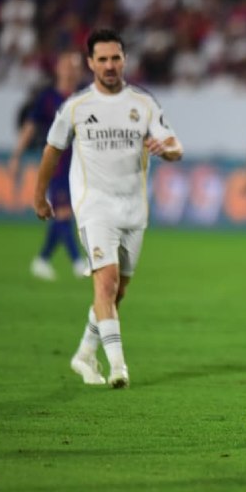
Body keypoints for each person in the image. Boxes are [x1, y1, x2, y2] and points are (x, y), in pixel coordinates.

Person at [34, 28, 183, 388]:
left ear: (124, 60)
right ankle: (118, 367)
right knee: (106, 283)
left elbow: (174, 144)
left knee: (118, 292)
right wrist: (40, 195)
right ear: (91, 63)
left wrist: (167, 150)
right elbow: (52, 149)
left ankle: (84, 354)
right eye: (102, 59)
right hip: (94, 206)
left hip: (134, 208)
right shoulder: (76, 107)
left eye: (115, 58)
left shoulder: (143, 104)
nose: (110, 65)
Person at [9, 52, 88, 280]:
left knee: (64, 214)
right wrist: (16, 156)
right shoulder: (47, 98)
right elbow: (30, 127)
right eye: (67, 66)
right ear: (58, 69)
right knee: (63, 213)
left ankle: (42, 260)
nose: (71, 71)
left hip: (81, 166)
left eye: (75, 67)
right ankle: (76, 263)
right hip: (57, 165)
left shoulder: (85, 97)